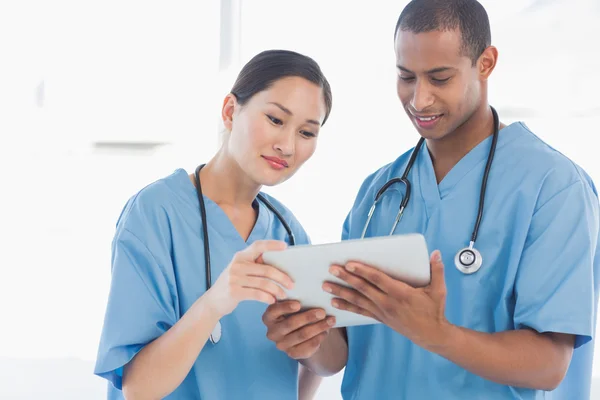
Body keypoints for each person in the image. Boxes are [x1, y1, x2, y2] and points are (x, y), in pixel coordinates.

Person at [262, 1, 600, 399]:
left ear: (486, 63)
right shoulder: (379, 191)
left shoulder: (552, 186)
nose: (419, 100)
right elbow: (341, 353)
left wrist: (436, 334)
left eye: (440, 78)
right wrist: (305, 339)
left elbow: (549, 365)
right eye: (406, 77)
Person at [93, 49, 333, 400]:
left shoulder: (289, 231)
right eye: (276, 120)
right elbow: (137, 389)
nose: (287, 145)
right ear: (230, 111)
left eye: (307, 133)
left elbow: (311, 362)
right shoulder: (155, 215)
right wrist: (217, 300)